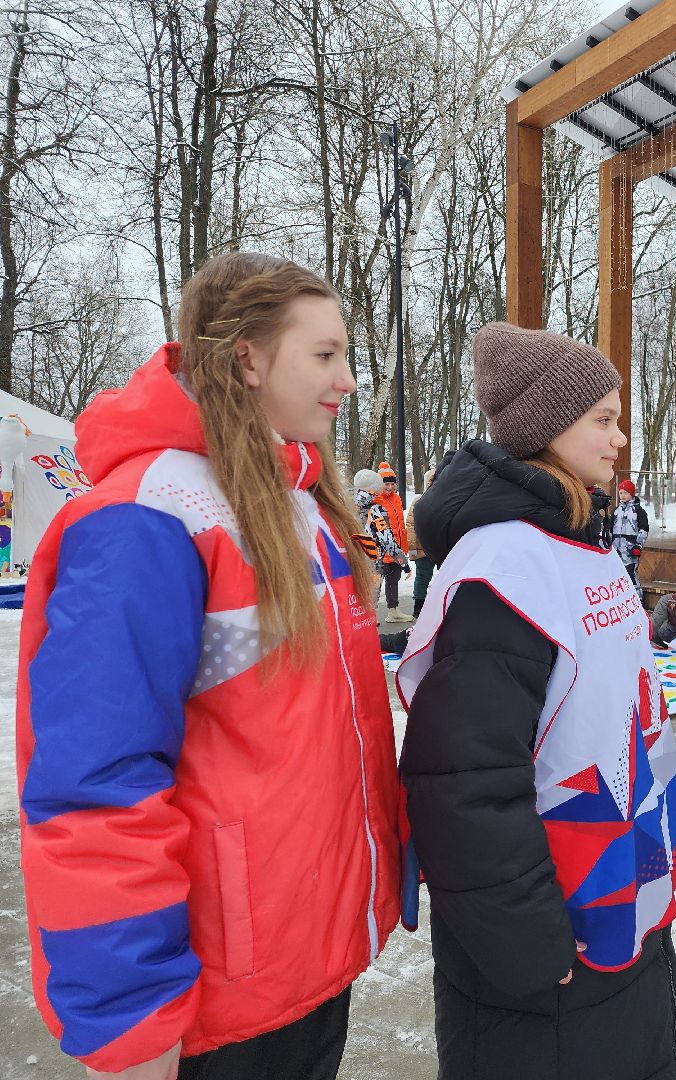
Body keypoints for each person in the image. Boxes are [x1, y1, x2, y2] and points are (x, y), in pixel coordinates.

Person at [14, 251, 403, 1079]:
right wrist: (132, 1009)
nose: (348, 380)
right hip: (218, 995)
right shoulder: (147, 517)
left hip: (307, 959)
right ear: (248, 358)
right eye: (326, 354)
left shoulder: (296, 502)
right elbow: (95, 778)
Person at [396, 322, 676, 1080]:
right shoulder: (502, 567)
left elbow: (616, 719)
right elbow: (462, 780)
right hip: (551, 949)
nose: (621, 438)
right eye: (602, 419)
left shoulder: (579, 541)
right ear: (545, 428)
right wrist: (524, 941)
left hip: (617, 898)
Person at [354, 468, 410, 618]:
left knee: (356, 592)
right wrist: (404, 563)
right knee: (373, 590)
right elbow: (387, 540)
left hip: (353, 559)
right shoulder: (376, 510)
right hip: (373, 559)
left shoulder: (347, 505)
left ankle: (359, 618)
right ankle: (367, 621)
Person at [372, 461, 409, 622]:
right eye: (386, 483)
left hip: (397, 547)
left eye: (392, 484)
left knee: (393, 580)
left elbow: (400, 524)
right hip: (382, 548)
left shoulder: (397, 499)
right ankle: (370, 613)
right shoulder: (377, 500)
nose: (390, 487)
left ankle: (393, 611)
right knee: (376, 583)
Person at [606, 477, 649, 588]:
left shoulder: (638, 511)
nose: (623, 495)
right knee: (616, 574)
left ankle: (637, 599)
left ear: (632, 494)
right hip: (616, 548)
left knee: (631, 574)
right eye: (620, 493)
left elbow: (644, 529)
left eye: (625, 493)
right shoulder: (616, 511)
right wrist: (608, 543)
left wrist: (638, 545)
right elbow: (610, 528)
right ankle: (620, 599)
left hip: (630, 548)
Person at [407, 467, 436, 619]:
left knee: (445, 576)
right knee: (423, 577)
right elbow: (411, 525)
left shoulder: (445, 498)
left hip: (440, 546)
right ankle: (418, 607)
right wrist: (412, 549)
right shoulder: (419, 501)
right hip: (424, 547)